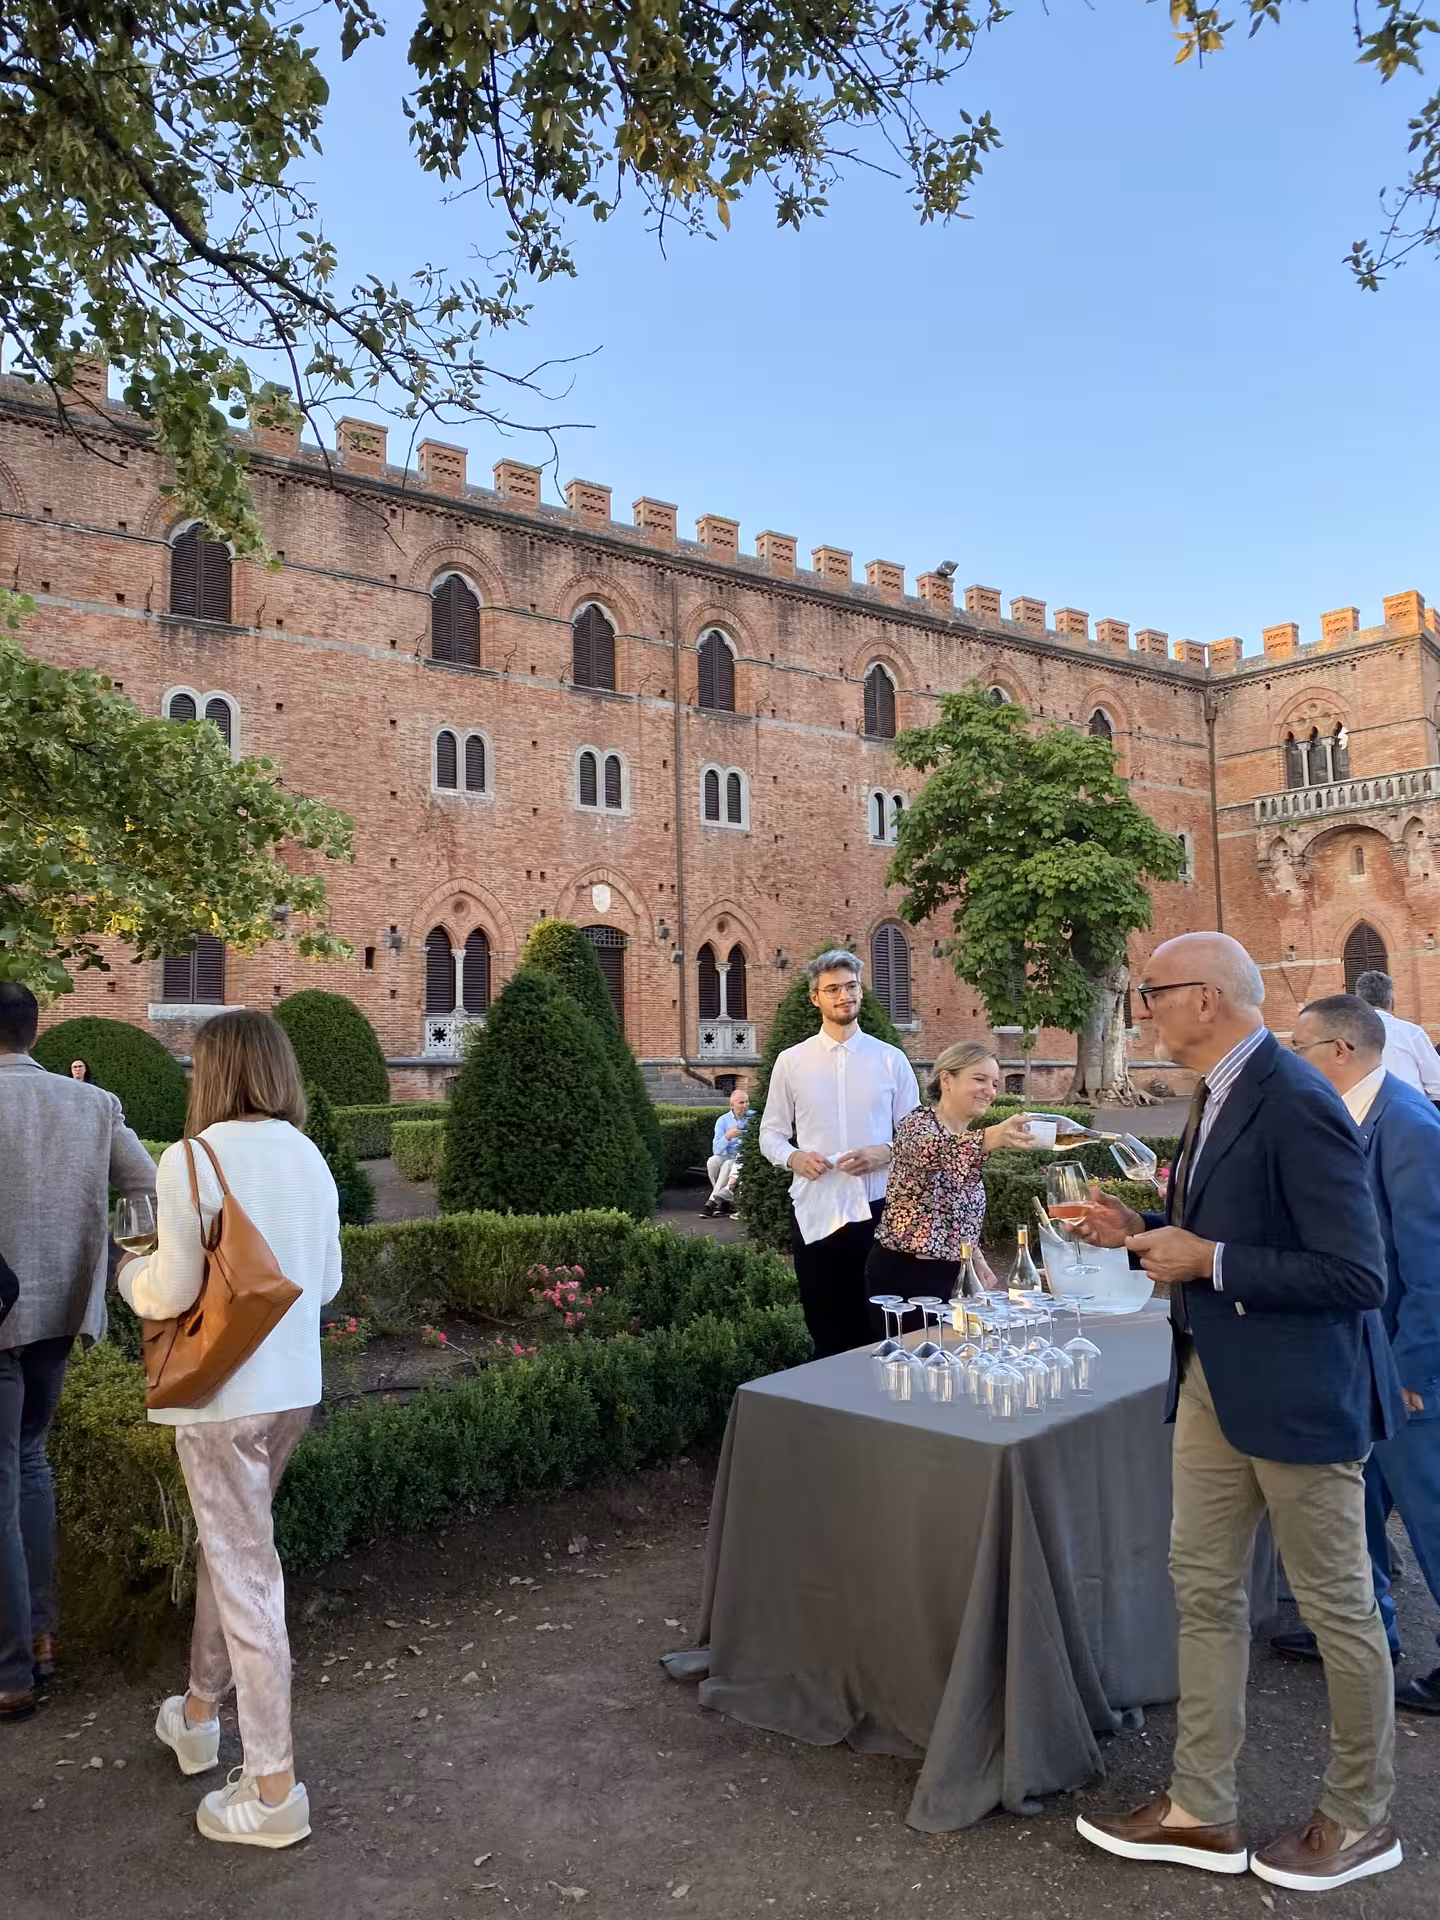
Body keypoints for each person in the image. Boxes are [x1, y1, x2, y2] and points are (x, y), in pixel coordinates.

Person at [1072, 932, 1403, 1893]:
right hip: (1215, 1378)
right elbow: (1229, 1228)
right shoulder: (1217, 1092)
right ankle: (1199, 1809)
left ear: (1205, 997)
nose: (1143, 1010)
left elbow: (1358, 1273)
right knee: (1205, 1591)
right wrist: (1138, 1234)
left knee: (1339, 1608)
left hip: (1300, 1397)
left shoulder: (1297, 1100)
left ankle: (1360, 1816)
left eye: (1151, 994)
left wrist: (1208, 1262)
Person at [118, 1009, 341, 1848]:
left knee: (248, 1572)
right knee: (233, 1550)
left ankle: (275, 1786)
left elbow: (173, 1292)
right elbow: (321, 1286)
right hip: (291, 1392)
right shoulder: (310, 1157)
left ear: (212, 1072)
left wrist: (131, 1276)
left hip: (220, 1400)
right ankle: (200, 1713)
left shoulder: (192, 1159)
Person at [1269, 994, 1440, 1715]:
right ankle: (1369, 1629)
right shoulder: (1351, 1115)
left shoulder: (1406, 1123)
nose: (1290, 1058)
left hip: (1404, 1367)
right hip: (1356, 1356)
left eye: (1299, 1046)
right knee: (1357, 1504)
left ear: (1340, 1050)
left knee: (1430, 1515)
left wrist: (1412, 1372)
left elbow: (1431, 1265)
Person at [0, 984, 155, 1723]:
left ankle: (11, 1669)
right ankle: (39, 1635)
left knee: (8, 1472)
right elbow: (149, 1190)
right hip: (58, 1312)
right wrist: (114, 1263)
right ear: (35, 1031)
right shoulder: (92, 1104)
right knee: (29, 1461)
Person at [759, 949, 920, 1359]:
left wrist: (884, 1151)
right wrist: (794, 1159)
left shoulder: (890, 1059)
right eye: (833, 989)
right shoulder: (791, 1062)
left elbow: (917, 1136)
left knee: (883, 1322)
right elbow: (771, 1134)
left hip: (881, 1208)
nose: (844, 996)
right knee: (826, 1325)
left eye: (851, 986)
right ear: (815, 997)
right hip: (817, 1209)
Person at [865, 1041, 1037, 1300]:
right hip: (906, 1277)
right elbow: (934, 1151)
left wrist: (975, 1258)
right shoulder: (917, 1124)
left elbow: (959, 1215)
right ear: (947, 1080)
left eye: (994, 1084)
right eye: (979, 1079)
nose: (989, 1091)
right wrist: (992, 1136)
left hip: (956, 1275)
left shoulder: (967, 1141)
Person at [1354, 970, 1440, 1104]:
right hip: (1411, 1115)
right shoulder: (1411, 1032)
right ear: (1391, 1001)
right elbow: (1437, 1084)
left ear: (1359, 1002)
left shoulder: (1343, 1036)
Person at [703, 1088, 751, 1216]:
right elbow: (716, 1150)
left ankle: (712, 1201)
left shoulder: (753, 1117)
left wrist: (744, 1134)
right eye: (741, 1103)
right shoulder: (723, 1120)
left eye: (747, 1102)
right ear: (732, 1105)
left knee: (728, 1164)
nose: (745, 1105)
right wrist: (727, 1136)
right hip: (727, 1154)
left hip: (743, 1157)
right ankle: (724, 1201)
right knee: (712, 1161)